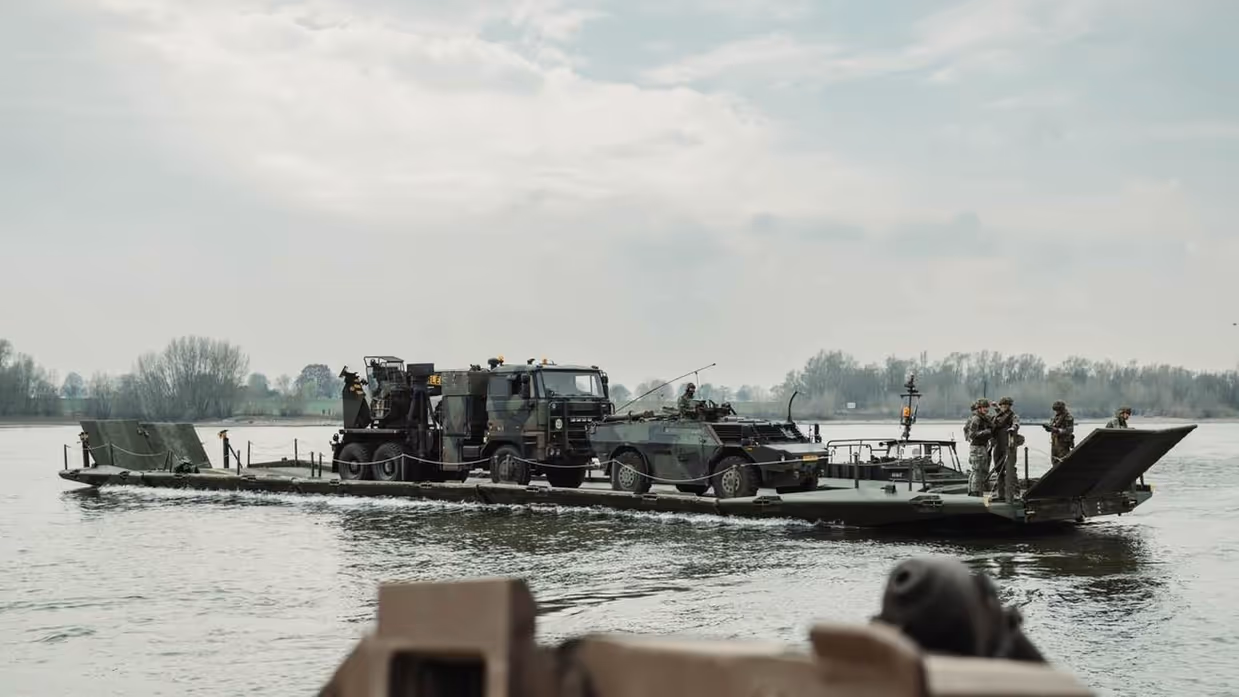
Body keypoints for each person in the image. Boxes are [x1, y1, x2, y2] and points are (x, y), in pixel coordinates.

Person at [990, 397, 1021, 498]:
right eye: (1002, 405)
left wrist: (1013, 428)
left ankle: (1015, 492)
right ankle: (1000, 492)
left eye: (1006, 405)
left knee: (1010, 468)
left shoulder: (1013, 416)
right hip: (998, 445)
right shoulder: (998, 416)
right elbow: (998, 418)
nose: (1003, 407)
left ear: (1009, 406)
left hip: (1008, 446)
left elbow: (1016, 423)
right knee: (998, 469)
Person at [964, 398, 993, 496]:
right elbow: (972, 434)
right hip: (977, 446)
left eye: (987, 407)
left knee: (979, 469)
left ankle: (974, 490)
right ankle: (975, 492)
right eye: (984, 407)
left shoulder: (984, 418)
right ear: (979, 408)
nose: (986, 409)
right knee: (977, 469)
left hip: (982, 446)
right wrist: (986, 432)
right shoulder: (976, 418)